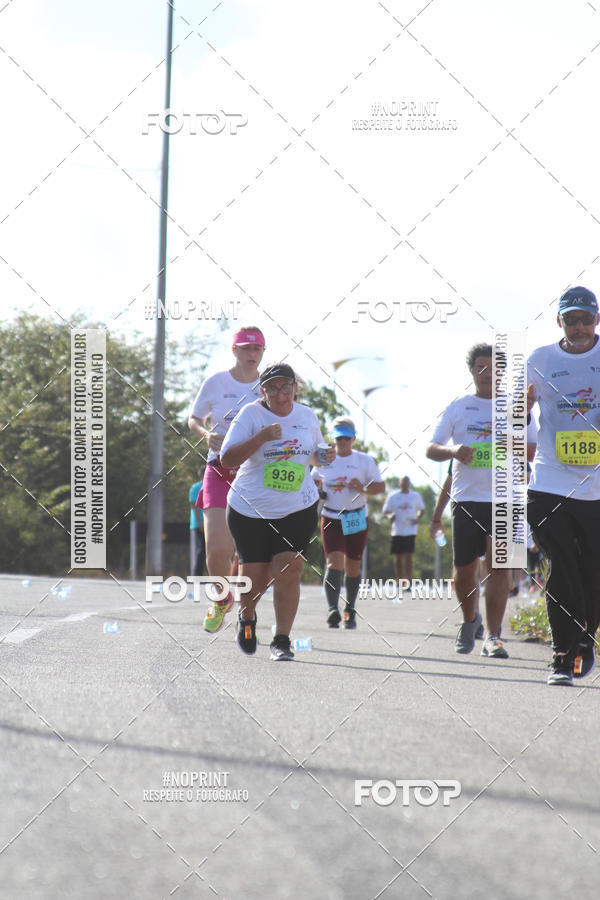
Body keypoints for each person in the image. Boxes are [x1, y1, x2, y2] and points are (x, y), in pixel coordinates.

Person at [220, 363, 335, 660]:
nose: (281, 394)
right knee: (254, 577)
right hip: (250, 508)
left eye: (286, 387)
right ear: (263, 391)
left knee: (289, 568)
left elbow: (315, 454)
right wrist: (261, 437)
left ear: (295, 388)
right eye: (273, 388)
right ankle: (247, 619)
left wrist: (326, 455)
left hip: (296, 506)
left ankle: (282, 639)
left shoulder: (307, 415)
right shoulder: (251, 415)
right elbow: (227, 458)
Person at [527, 286, 600, 685]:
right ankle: (561, 655)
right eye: (571, 319)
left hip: (596, 488)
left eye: (585, 318)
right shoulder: (541, 359)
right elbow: (516, 409)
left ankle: (586, 639)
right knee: (562, 567)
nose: (578, 326)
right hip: (550, 480)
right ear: (560, 321)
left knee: (592, 572)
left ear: (596, 320)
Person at [426, 343, 510, 658]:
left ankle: (493, 636)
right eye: (481, 368)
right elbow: (432, 448)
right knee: (464, 571)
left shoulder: (515, 407)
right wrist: (454, 451)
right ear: (473, 372)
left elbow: (532, 448)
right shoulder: (459, 407)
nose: (487, 373)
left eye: (494, 368)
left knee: (499, 567)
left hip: (505, 500)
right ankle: (469, 619)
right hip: (467, 499)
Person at [188, 327, 265, 632]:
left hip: (255, 473)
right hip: (218, 469)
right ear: (234, 350)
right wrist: (205, 433)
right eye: (246, 348)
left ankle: (249, 615)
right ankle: (222, 600)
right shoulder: (216, 382)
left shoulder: (267, 385)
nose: (252, 354)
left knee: (253, 553)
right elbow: (193, 418)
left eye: (258, 349)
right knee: (217, 549)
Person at [312, 417, 385, 629]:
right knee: (334, 563)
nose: (342, 441)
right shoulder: (323, 460)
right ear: (332, 439)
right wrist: (318, 491)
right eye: (338, 438)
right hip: (331, 516)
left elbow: (380, 487)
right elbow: (312, 482)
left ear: (353, 438)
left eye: (346, 437)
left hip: (355, 516)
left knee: (353, 567)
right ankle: (332, 609)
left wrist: (363, 487)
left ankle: (349, 609)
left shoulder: (364, 461)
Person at [383, 477, 424, 583]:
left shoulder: (415, 496)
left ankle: (408, 581)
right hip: (397, 530)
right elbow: (386, 510)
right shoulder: (393, 496)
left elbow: (421, 509)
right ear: (399, 483)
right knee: (398, 557)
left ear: (409, 484)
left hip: (410, 530)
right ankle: (400, 580)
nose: (405, 484)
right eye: (403, 482)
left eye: (406, 482)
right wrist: (389, 516)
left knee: (409, 556)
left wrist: (417, 518)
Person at [189, 467, 206, 576]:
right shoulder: (195, 488)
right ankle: (196, 574)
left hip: (209, 524)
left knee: (208, 549)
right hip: (199, 524)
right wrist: (200, 523)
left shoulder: (212, 486)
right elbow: (194, 507)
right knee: (202, 548)